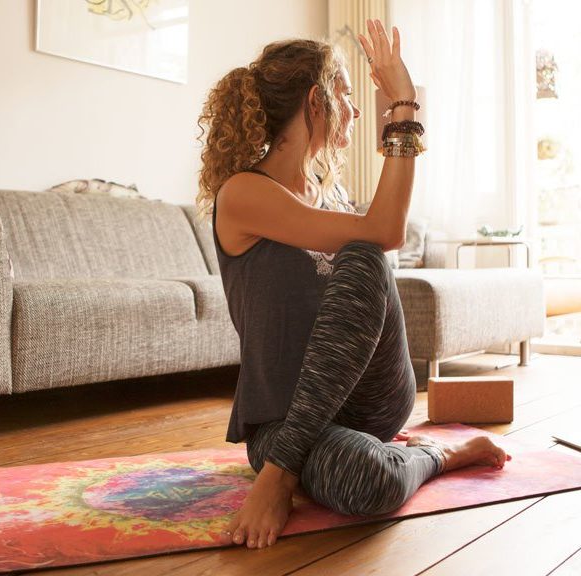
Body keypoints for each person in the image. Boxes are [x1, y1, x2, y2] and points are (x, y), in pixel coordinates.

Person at [195, 18, 511, 550]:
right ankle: (439, 454)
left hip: (370, 401)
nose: (356, 110)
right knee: (372, 481)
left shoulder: (332, 194)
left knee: (365, 254)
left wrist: (405, 105)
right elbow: (384, 229)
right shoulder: (244, 193)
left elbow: (384, 234)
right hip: (282, 416)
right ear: (315, 102)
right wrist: (402, 107)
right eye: (345, 94)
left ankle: (281, 471)